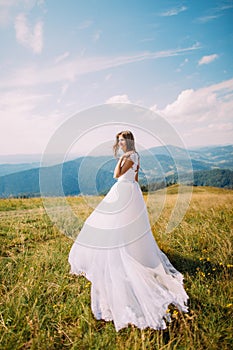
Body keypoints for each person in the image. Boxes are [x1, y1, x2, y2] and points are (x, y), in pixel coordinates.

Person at [68, 130, 189, 332]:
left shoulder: (130, 156)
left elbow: (117, 175)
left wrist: (121, 159)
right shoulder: (135, 156)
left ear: (129, 142)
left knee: (117, 226)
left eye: (123, 141)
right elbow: (136, 177)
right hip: (130, 191)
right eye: (119, 141)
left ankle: (124, 253)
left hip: (125, 191)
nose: (121, 144)